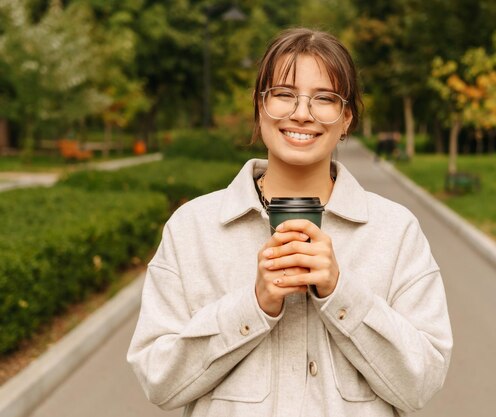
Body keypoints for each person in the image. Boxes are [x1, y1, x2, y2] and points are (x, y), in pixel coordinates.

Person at [127, 28, 452, 417]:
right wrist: (254, 305)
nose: (302, 113)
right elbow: (158, 380)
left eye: (325, 99)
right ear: (259, 107)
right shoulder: (193, 228)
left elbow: (422, 382)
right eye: (283, 94)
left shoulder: (395, 232)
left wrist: (340, 293)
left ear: (346, 118)